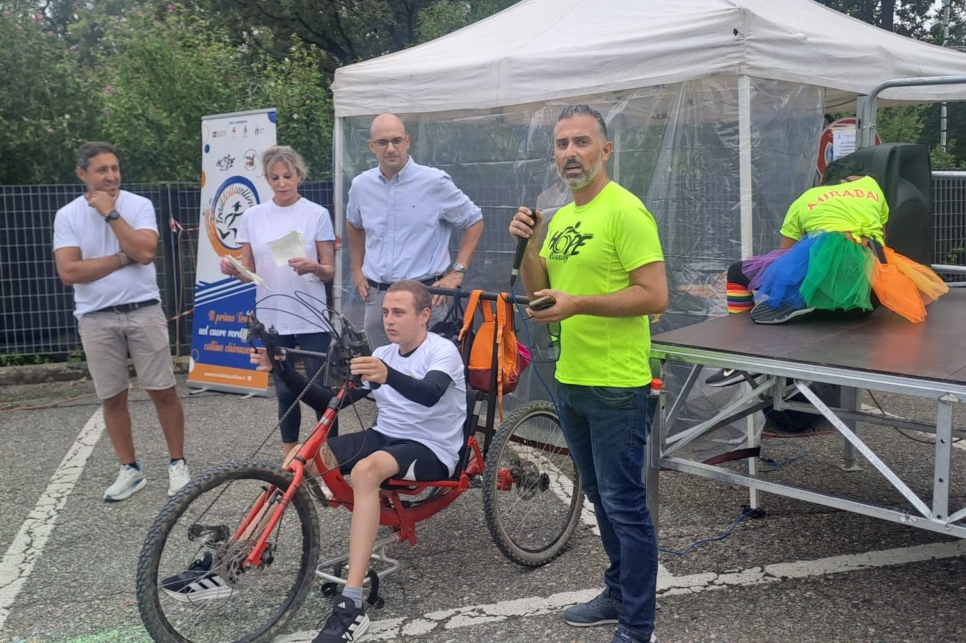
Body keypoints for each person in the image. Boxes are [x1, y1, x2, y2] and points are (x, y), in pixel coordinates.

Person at [509, 104, 668, 643]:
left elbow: (655, 296)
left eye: (581, 142)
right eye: (562, 144)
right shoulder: (561, 218)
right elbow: (540, 293)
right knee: (601, 497)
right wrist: (530, 245)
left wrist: (579, 304)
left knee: (625, 504)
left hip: (616, 383)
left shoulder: (626, 211)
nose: (570, 153)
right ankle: (618, 593)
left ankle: (638, 625)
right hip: (573, 378)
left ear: (606, 150)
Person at [247, 280, 467, 643]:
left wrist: (387, 374)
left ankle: (352, 603)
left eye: (399, 313)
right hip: (384, 436)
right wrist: (282, 370)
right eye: (386, 312)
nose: (389, 320)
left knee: (366, 471)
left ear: (424, 315)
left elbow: (429, 394)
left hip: (431, 447)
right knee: (299, 455)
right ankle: (239, 552)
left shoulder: (442, 351)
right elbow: (328, 400)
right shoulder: (384, 353)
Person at [53, 141, 189, 502]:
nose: (111, 176)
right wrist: (120, 258)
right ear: (82, 174)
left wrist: (111, 214)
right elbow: (69, 272)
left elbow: (144, 251)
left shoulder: (138, 205)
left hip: (143, 311)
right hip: (95, 317)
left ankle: (178, 464)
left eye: (115, 168)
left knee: (163, 390)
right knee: (112, 397)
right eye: (102, 170)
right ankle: (130, 470)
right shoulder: (68, 215)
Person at [726, 156, 948, 326]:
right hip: (867, 301)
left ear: (824, 180)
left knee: (736, 273)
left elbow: (786, 256)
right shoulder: (872, 187)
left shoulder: (805, 199)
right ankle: (810, 301)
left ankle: (738, 332)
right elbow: (882, 237)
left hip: (824, 298)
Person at [220, 145, 337, 452]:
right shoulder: (253, 216)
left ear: (299, 175)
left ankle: (331, 459)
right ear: (267, 179)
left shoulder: (316, 214)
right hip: (272, 315)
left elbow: (329, 271)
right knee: (285, 391)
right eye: (275, 177)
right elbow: (249, 271)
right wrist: (233, 270)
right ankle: (290, 459)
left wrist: (314, 267)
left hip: (310, 315)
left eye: (288, 176)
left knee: (322, 391)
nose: (282, 183)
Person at [345, 113, 484, 347]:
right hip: (378, 298)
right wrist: (356, 269)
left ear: (407, 141)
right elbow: (353, 223)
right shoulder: (361, 186)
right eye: (382, 142)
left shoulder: (434, 182)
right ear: (372, 146)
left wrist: (457, 272)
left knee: (427, 368)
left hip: (424, 297)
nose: (390, 148)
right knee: (382, 368)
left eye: (396, 140)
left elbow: (474, 220)